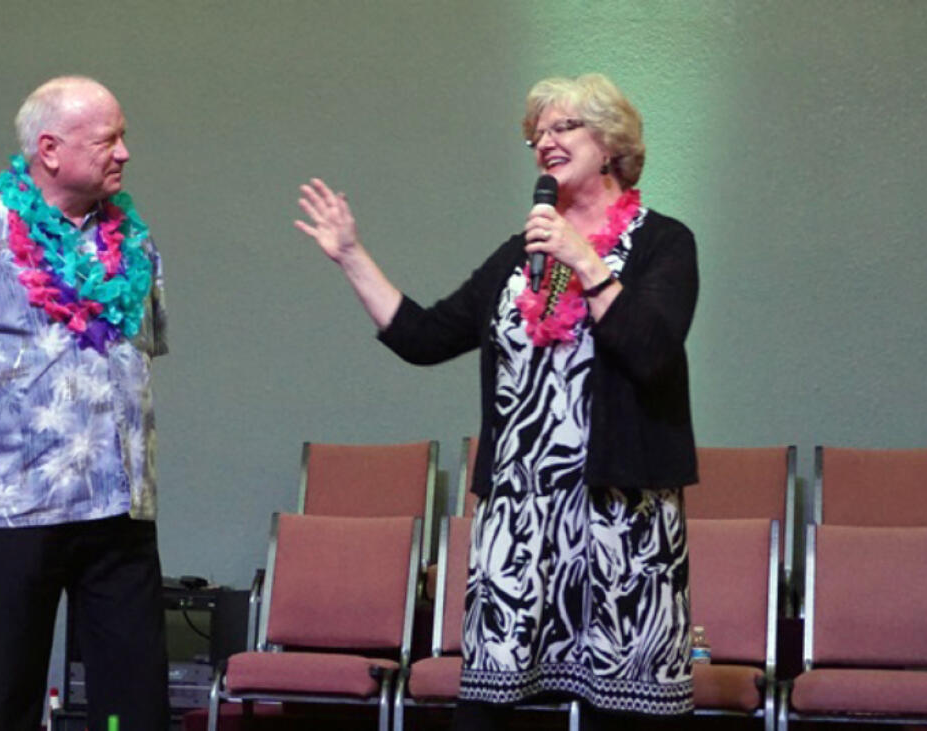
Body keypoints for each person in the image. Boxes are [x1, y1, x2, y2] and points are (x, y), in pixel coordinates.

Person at [295, 73, 698, 730]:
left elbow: (653, 350)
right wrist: (350, 255)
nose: (545, 140)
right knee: (485, 710)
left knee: (625, 713)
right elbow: (424, 337)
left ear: (612, 140)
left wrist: (587, 262)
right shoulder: (521, 256)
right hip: (519, 519)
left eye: (563, 126)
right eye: (537, 132)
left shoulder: (664, 243)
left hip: (621, 518)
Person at [0, 76, 170, 731]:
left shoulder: (132, 243)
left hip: (119, 506)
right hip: (20, 507)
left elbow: (144, 351)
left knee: (132, 707)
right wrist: (0, 431)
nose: (125, 153)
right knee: (10, 699)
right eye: (109, 139)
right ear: (49, 149)